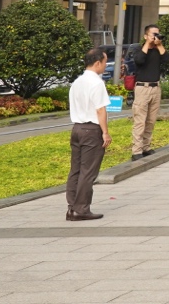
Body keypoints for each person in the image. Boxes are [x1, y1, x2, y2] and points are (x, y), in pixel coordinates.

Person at [66, 47, 111, 221]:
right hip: (91, 129)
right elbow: (100, 110)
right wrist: (105, 132)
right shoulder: (97, 83)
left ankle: (72, 207)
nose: (105, 65)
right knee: (88, 171)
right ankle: (82, 209)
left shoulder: (77, 82)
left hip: (77, 128)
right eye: (105, 62)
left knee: (75, 170)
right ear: (98, 62)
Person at [130, 24, 169, 160]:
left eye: (157, 34)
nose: (156, 36)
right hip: (143, 88)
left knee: (151, 120)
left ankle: (146, 147)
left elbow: (167, 59)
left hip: (156, 88)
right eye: (153, 34)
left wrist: (159, 45)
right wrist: (148, 44)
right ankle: (137, 150)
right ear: (146, 36)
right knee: (140, 121)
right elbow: (139, 60)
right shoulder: (139, 49)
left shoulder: (158, 50)